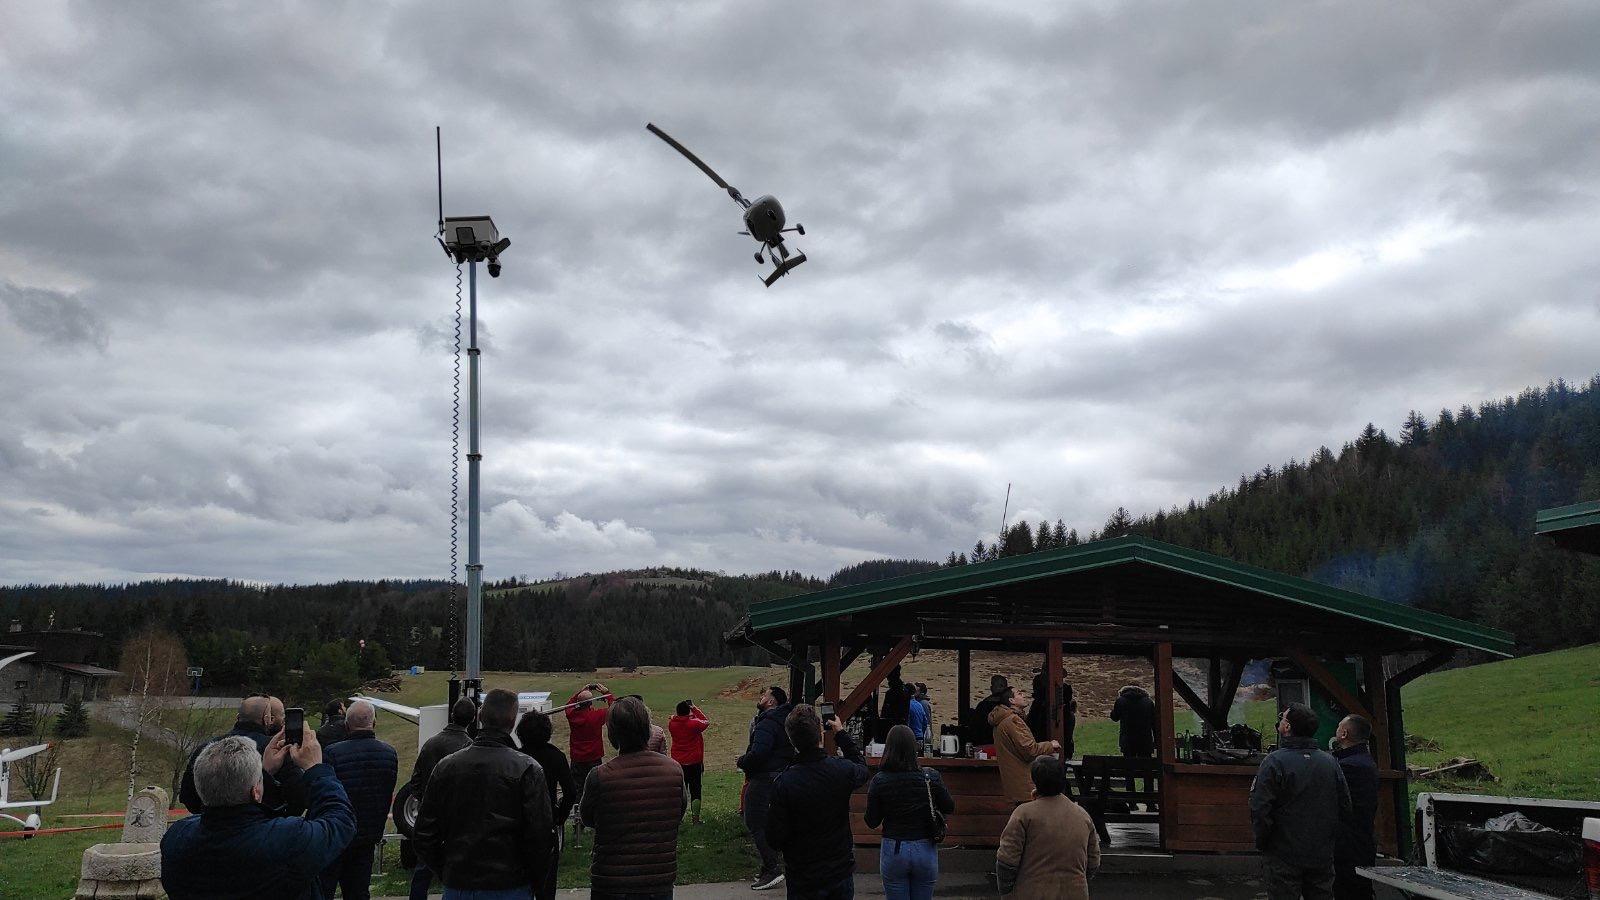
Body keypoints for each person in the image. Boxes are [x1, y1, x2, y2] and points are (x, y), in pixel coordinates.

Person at [161, 728, 354, 900]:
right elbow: (340, 820)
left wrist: (264, 774)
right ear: (256, 791)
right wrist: (315, 769)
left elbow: (237, 819)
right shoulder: (288, 840)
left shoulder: (177, 839)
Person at [414, 688, 553, 899]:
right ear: (513, 721)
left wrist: (448, 871)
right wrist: (533, 881)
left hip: (459, 884)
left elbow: (424, 833)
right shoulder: (528, 768)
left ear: (480, 716)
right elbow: (540, 837)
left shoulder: (445, 766)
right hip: (510, 885)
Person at [580, 696, 687, 900]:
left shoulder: (600, 776)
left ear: (613, 733)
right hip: (658, 881)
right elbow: (678, 813)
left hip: (611, 881)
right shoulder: (674, 770)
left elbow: (587, 819)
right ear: (647, 728)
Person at [766, 704, 871, 900]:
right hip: (838, 870)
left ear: (791, 739)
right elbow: (861, 767)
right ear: (820, 735)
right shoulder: (840, 770)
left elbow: (774, 837)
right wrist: (840, 733)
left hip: (803, 874)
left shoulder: (784, 783)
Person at [1249, 703, 1353, 900]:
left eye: (1282, 719)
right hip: (1321, 854)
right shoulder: (1330, 762)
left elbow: (1260, 808)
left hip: (1283, 853)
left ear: (1287, 727)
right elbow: (1345, 806)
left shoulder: (1273, 762)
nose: (1279, 722)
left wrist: (1263, 842)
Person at [865, 724, 955, 900]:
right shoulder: (930, 777)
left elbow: (871, 821)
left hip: (895, 847)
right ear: (914, 747)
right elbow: (949, 807)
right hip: (925, 846)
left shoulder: (880, 780)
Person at [320, 700, 397, 900]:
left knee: (325, 888)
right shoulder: (389, 754)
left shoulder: (332, 753)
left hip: (337, 833)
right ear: (374, 723)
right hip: (368, 833)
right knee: (359, 890)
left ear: (346, 725)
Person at [995, 756, 1100, 900]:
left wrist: (1006, 893)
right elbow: (1093, 861)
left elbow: (1007, 862)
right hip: (1074, 893)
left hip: (1031, 892)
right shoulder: (1082, 816)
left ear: (1034, 780)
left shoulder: (1023, 814)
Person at [407, 697, 477, 900]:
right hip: (458, 820)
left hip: (430, 816)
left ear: (452, 715)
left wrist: (425, 802)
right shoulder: (469, 748)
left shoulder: (430, 744)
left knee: (423, 869)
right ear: (473, 719)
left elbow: (415, 781)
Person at [179, 695, 287, 815]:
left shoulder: (206, 749)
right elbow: (297, 797)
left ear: (237, 717)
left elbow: (187, 796)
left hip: (211, 825)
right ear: (267, 719)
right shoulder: (277, 750)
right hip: (265, 825)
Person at [737, 685, 796, 890]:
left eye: (764, 695)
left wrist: (742, 761)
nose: (761, 698)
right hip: (781, 775)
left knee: (754, 821)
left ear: (771, 702)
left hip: (763, 779)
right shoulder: (786, 721)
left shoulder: (767, 723)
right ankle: (769, 866)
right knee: (772, 821)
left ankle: (772, 868)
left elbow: (759, 753)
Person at [516, 709, 577, 900]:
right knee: (547, 885)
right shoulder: (555, 756)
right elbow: (571, 791)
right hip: (546, 823)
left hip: (519, 825)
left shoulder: (515, 757)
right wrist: (561, 814)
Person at [1331, 715, 1379, 900]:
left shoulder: (1349, 766)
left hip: (1350, 842)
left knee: (1349, 889)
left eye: (1339, 726)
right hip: (1359, 839)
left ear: (1344, 733)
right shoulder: (1362, 760)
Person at [990, 688, 1061, 805]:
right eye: (1019, 693)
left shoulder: (1003, 720)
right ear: (1011, 700)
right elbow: (1030, 750)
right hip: (1025, 783)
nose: (1024, 695)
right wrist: (1050, 745)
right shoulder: (1012, 720)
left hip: (1016, 783)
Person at [566, 682, 612, 830]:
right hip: (594, 757)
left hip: (577, 758)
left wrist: (581, 691)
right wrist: (607, 693)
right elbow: (615, 709)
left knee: (579, 791)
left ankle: (578, 824)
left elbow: (569, 705)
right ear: (591, 702)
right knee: (596, 789)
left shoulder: (572, 715)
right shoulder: (596, 715)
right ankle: (596, 821)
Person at [1110, 684, 1157, 796]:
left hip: (1127, 741)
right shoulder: (1148, 702)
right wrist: (1155, 741)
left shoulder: (1121, 701)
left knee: (1129, 771)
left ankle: (1131, 800)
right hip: (1145, 741)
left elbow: (1115, 717)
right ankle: (1149, 801)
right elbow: (1154, 723)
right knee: (1147, 772)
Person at [669, 700, 711, 824]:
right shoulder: (694, 724)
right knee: (695, 790)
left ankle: (679, 818)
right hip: (694, 762)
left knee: (680, 791)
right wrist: (694, 708)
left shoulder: (672, 723)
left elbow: (677, 719)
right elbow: (705, 721)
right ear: (689, 712)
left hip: (678, 761)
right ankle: (696, 820)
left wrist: (677, 716)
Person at [970, 675, 1012, 746]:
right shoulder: (984, 705)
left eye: (1001, 686)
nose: (1000, 688)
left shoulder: (984, 705)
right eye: (998, 686)